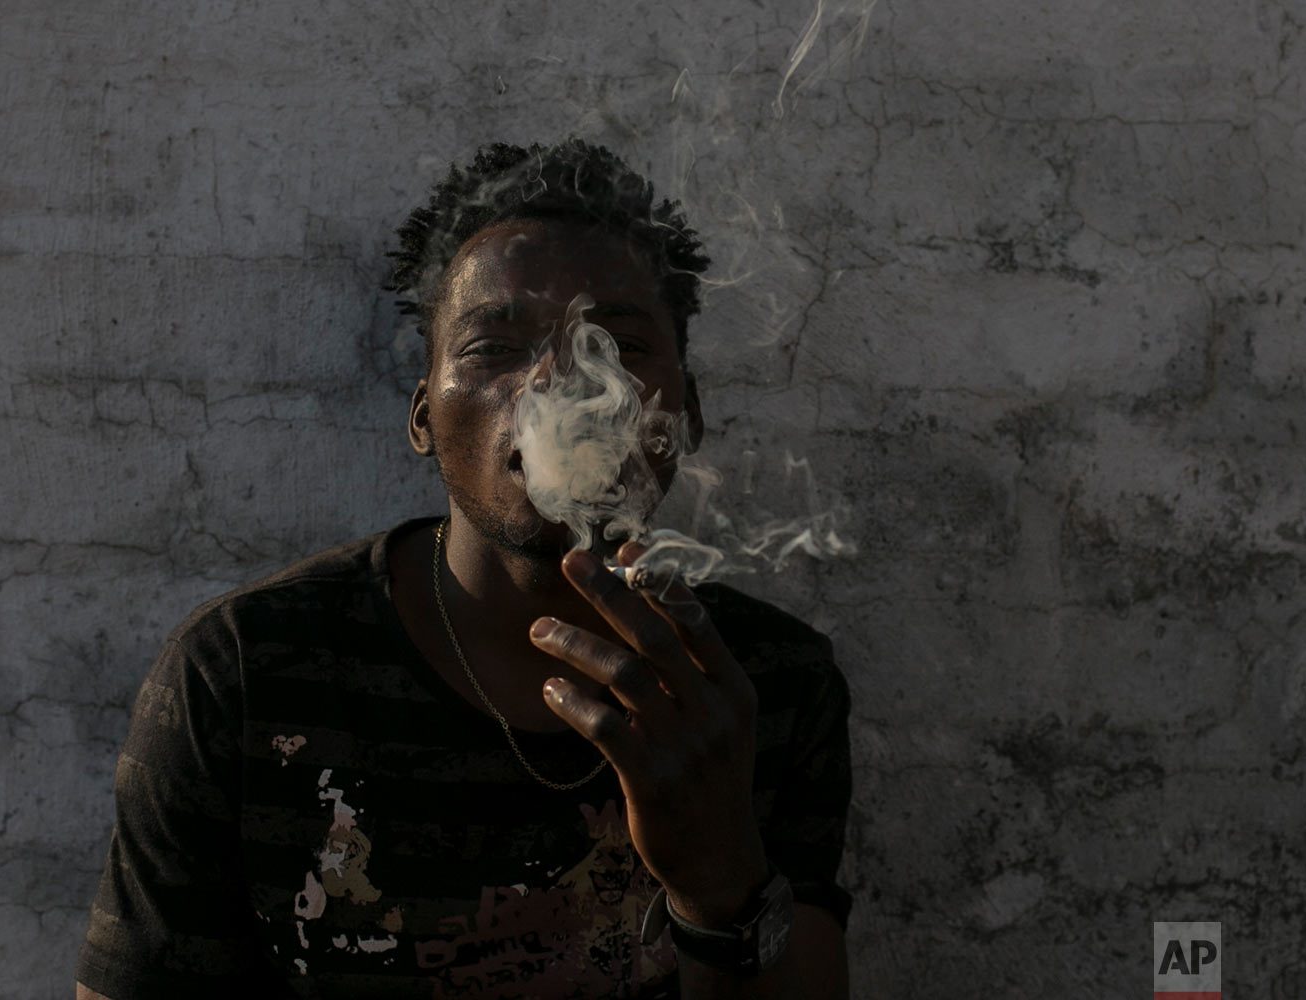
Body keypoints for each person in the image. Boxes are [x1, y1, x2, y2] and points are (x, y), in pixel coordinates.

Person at [75, 138, 853, 1000]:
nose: (559, 386)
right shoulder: (245, 676)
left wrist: (719, 878)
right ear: (421, 416)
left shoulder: (765, 687)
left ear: (687, 415)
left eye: (619, 346)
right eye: (494, 348)